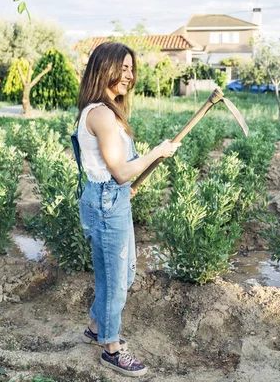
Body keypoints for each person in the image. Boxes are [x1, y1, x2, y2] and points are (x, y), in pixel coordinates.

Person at [73, 41, 180, 377]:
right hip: (106, 201)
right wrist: (156, 153)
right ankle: (111, 348)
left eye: (131, 69)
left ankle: (95, 326)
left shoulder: (105, 110)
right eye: (121, 68)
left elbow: (114, 171)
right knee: (116, 280)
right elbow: (118, 170)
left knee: (123, 273)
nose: (128, 75)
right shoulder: (102, 114)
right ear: (102, 69)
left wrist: (126, 187)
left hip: (111, 197)